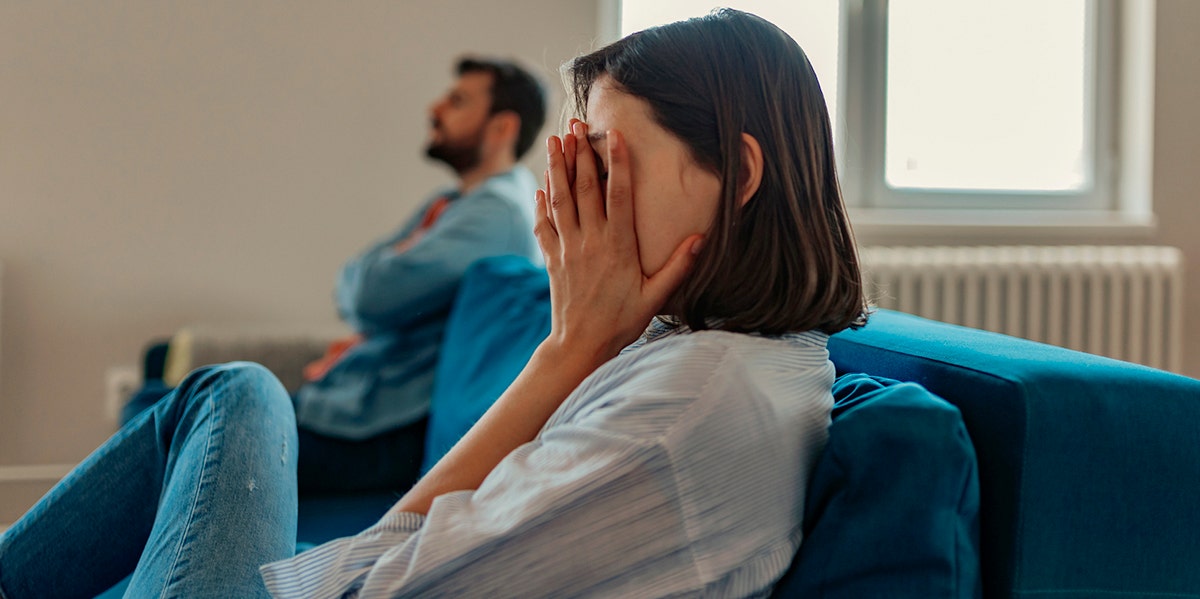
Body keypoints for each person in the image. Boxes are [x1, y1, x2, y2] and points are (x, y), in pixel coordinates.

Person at [0, 9, 867, 598]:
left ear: (740, 174)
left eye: (604, 162)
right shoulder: (715, 354)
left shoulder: (689, 408)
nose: (575, 202)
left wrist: (569, 353)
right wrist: (575, 351)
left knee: (233, 393)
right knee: (227, 397)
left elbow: (372, 581)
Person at [121, 56, 548, 493]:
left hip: (378, 429)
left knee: (154, 414)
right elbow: (356, 284)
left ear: (502, 128)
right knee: (157, 399)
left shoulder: (497, 214)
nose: (434, 109)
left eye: (457, 101)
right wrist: (373, 282)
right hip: (354, 407)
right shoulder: (453, 203)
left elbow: (366, 295)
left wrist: (377, 279)